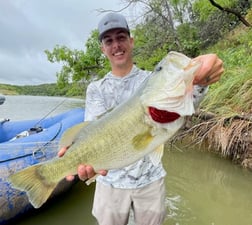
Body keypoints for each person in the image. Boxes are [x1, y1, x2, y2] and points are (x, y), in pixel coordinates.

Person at [58, 12, 224, 225]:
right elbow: (92, 133)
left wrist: (204, 76)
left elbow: (190, 98)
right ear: (103, 49)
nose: (116, 45)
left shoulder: (150, 80)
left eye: (121, 37)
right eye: (109, 41)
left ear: (131, 41)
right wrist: (78, 160)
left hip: (150, 182)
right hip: (110, 183)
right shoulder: (96, 89)